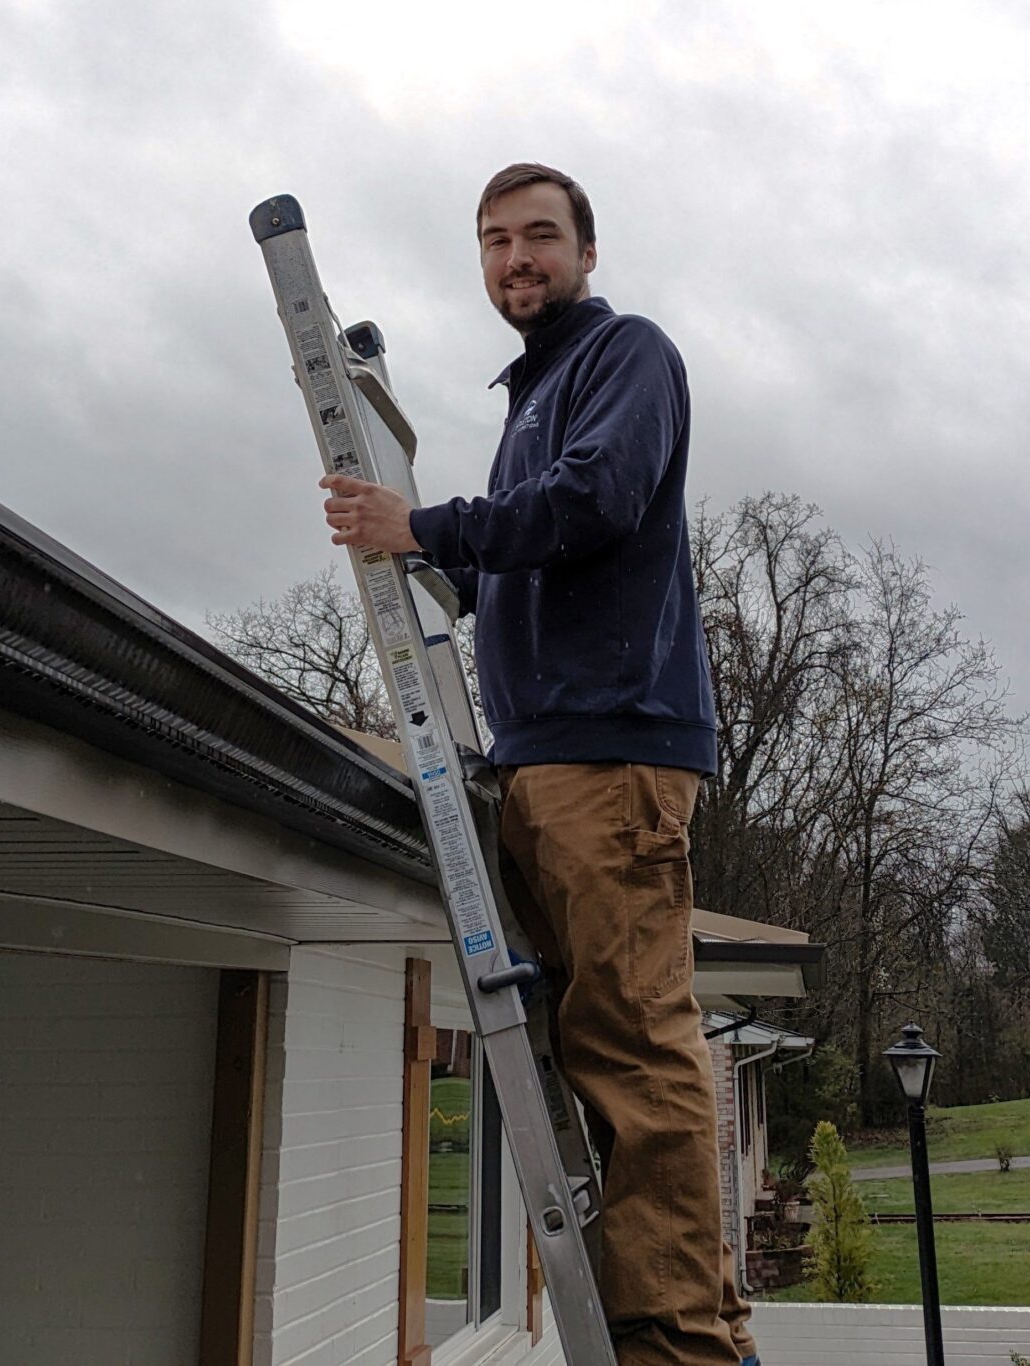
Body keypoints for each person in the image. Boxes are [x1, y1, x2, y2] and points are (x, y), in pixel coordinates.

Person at [318, 163, 755, 1366]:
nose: (517, 259)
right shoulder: (536, 392)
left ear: (587, 252)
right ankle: (695, 1320)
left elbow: (595, 501)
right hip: (552, 755)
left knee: (634, 1051)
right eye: (495, 241)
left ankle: (676, 1345)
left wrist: (424, 527)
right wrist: (440, 570)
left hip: (607, 752)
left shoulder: (628, 358)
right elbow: (532, 554)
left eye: (540, 237)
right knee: (594, 1054)